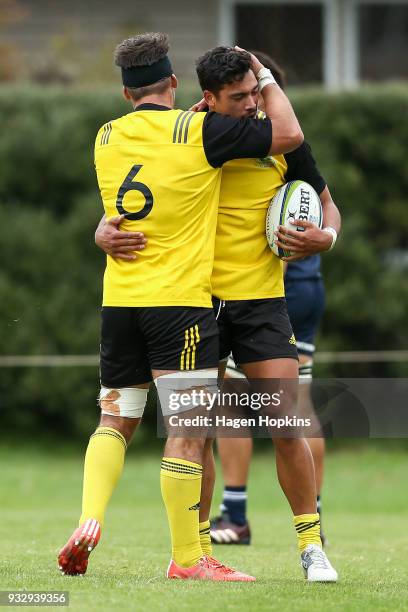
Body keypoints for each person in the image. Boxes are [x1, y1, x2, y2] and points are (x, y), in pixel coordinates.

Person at [57, 32, 303, 581]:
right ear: (174, 83)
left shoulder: (103, 137)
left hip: (119, 300)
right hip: (179, 305)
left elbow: (123, 208)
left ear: (125, 93)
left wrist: (102, 234)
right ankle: (188, 560)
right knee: (189, 430)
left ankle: (88, 518)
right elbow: (286, 134)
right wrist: (260, 77)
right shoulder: (198, 130)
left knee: (115, 417)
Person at [210, 53, 328, 548]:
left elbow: (323, 202)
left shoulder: (278, 142)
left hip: (272, 291)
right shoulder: (221, 133)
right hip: (288, 287)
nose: (255, 103)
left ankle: (238, 514)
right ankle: (310, 511)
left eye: (259, 93)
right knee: (288, 405)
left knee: (244, 404)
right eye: (246, 95)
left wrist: (325, 237)